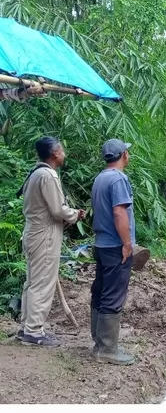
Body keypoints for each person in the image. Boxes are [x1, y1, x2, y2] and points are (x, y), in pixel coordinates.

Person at [16, 136, 84, 346]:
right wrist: (75, 215)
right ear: (55, 153)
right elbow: (57, 209)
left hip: (33, 232)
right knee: (43, 282)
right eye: (62, 150)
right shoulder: (48, 175)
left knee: (33, 281)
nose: (64, 153)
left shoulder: (35, 173)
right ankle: (34, 332)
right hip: (44, 235)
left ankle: (26, 326)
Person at [90, 139, 136, 365]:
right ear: (123, 154)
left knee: (100, 291)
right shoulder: (118, 179)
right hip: (114, 246)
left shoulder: (100, 178)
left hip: (101, 244)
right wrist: (127, 244)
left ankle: (100, 343)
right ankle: (108, 350)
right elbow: (119, 213)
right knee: (113, 294)